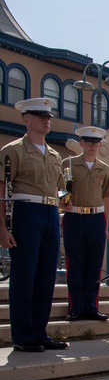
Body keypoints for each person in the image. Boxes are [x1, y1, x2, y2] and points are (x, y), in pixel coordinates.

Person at [0, 97, 68, 352]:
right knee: (24, 275)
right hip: (25, 211)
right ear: (26, 119)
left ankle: (39, 331)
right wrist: (2, 228)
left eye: (48, 117)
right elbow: (2, 189)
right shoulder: (13, 150)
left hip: (50, 212)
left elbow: (60, 188)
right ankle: (22, 335)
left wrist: (65, 202)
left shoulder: (54, 154)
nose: (46, 121)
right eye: (41, 117)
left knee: (46, 276)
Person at [62, 126, 109, 322]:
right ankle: (75, 307)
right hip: (74, 216)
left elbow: (106, 198)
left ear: (100, 145)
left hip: (95, 218)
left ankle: (92, 306)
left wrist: (105, 226)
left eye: (96, 143)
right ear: (81, 143)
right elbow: (60, 189)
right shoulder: (68, 164)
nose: (92, 146)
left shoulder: (105, 169)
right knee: (75, 263)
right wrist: (63, 202)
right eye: (89, 142)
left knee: (94, 264)